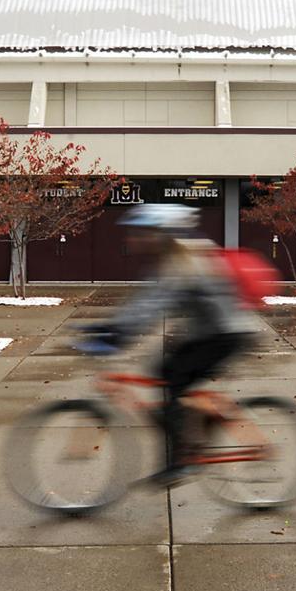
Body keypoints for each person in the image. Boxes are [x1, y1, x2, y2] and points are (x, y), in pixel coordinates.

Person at [79, 203, 260, 486]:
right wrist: (109, 327)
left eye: (141, 233)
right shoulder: (177, 258)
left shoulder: (184, 262)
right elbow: (145, 300)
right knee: (164, 371)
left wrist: (118, 335)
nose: (134, 239)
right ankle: (202, 424)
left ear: (161, 234)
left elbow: (154, 305)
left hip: (227, 335)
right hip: (212, 332)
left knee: (173, 379)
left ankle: (180, 462)